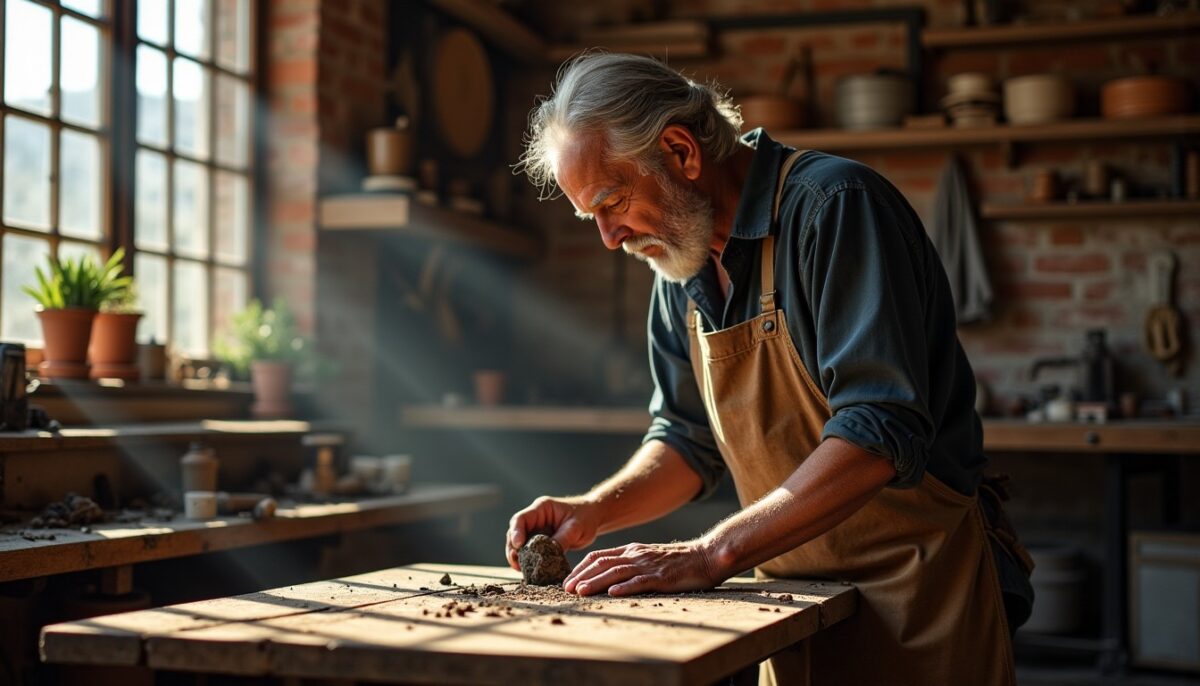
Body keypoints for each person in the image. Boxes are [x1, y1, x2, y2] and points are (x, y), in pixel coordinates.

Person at [508, 53, 1033, 685]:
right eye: (588, 217)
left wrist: (710, 553)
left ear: (680, 152)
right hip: (788, 605)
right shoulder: (681, 262)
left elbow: (879, 430)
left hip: (920, 594)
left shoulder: (835, 208)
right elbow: (685, 441)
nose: (609, 238)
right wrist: (591, 511)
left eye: (612, 202)